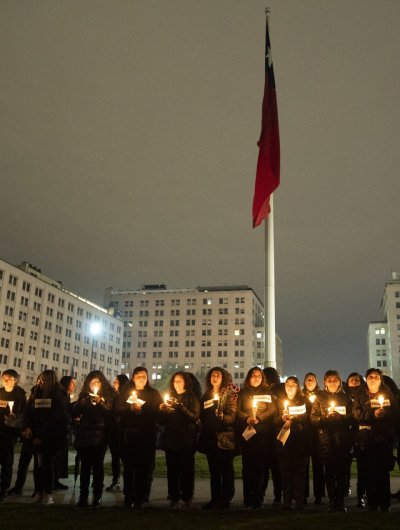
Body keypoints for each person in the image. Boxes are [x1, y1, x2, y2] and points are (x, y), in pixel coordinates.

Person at [352, 368, 399, 511]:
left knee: (383, 472)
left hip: (384, 438)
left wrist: (385, 413)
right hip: (367, 439)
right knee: (369, 472)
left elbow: (396, 413)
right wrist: (373, 414)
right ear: (366, 379)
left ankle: (384, 504)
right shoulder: (359, 395)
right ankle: (372, 504)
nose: (373, 378)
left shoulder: (387, 395)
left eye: (376, 376)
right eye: (370, 376)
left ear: (380, 379)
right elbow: (356, 414)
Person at [115, 367, 162, 508]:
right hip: (129, 435)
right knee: (129, 467)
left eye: (144, 376)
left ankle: (141, 496)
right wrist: (129, 409)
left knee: (144, 467)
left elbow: (157, 412)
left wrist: (143, 411)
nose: (142, 379)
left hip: (146, 435)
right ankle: (128, 495)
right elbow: (117, 410)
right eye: (139, 376)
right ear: (133, 377)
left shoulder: (153, 394)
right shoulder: (125, 393)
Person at [22, 370, 70, 505]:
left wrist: (42, 436)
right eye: (39, 380)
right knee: (38, 465)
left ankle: (48, 494)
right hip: (36, 434)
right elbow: (27, 412)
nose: (40, 383)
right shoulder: (35, 393)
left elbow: (55, 419)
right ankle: (39, 492)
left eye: (43, 381)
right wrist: (26, 427)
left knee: (47, 464)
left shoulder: (57, 395)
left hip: (51, 436)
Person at [310, 370, 353, 512]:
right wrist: (324, 419)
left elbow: (352, 416)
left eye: (335, 380)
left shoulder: (346, 397)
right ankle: (332, 499)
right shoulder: (319, 397)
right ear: (325, 382)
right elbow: (313, 418)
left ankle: (340, 500)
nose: (332, 382)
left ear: (340, 381)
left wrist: (341, 418)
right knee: (328, 470)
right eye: (329, 380)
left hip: (341, 438)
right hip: (326, 438)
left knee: (341, 471)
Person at [159, 371, 200, 509]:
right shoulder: (171, 397)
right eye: (175, 380)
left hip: (186, 439)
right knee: (172, 470)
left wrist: (180, 407)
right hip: (171, 438)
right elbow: (162, 421)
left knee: (186, 470)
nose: (177, 383)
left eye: (180, 381)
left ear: (186, 382)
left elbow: (194, 417)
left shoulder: (191, 397)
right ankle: (174, 497)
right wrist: (162, 410)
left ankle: (187, 497)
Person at [237, 367, 276, 510]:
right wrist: (247, 418)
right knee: (247, 466)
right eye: (253, 375)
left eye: (259, 375)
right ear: (249, 377)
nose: (256, 377)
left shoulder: (267, 392)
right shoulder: (243, 392)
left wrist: (259, 418)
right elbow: (237, 409)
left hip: (263, 433)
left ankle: (258, 499)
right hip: (247, 431)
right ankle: (248, 498)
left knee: (261, 467)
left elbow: (272, 409)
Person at [72, 370, 114, 507]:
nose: (94, 385)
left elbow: (110, 415)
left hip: (100, 436)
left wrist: (100, 402)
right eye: (92, 383)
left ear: (102, 384)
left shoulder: (107, 397)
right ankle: (83, 497)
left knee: (97, 468)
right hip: (84, 436)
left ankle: (97, 496)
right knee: (84, 468)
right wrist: (83, 403)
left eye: (97, 382)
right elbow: (75, 412)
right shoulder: (84, 397)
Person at [199, 367, 238, 510]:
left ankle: (226, 498)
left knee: (226, 469)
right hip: (210, 437)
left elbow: (232, 417)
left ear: (223, 379)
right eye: (213, 375)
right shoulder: (207, 395)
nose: (215, 378)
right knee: (214, 470)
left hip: (224, 436)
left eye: (218, 375)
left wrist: (223, 418)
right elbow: (202, 414)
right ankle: (214, 498)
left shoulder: (229, 395)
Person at [275, 376, 311, 511]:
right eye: (287, 384)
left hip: (300, 441)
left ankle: (300, 501)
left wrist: (295, 418)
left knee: (299, 472)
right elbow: (273, 420)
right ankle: (287, 501)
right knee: (286, 473)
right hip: (284, 442)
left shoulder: (304, 401)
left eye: (293, 384)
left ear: (298, 387)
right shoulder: (279, 402)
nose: (290, 387)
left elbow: (307, 418)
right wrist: (281, 418)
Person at [0, 369, 26, 500]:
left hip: (9, 433)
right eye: (3, 378)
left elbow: (22, 413)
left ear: (14, 380)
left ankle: (3, 487)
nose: (4, 381)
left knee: (6, 460)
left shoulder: (19, 395)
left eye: (7, 379)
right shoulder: (0, 392)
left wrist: (15, 417)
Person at [302, 372, 325, 505]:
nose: (310, 381)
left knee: (318, 465)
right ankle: (303, 494)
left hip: (318, 433)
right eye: (307, 380)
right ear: (304, 382)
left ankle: (319, 495)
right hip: (305, 434)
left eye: (312, 379)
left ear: (317, 382)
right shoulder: (300, 396)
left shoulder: (321, 396)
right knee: (303, 466)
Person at [344, 372, 366, 507]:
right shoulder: (344, 395)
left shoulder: (364, 395)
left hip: (361, 433)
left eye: (357, 379)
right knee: (345, 463)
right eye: (351, 379)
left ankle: (361, 494)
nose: (354, 381)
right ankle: (345, 487)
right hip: (346, 433)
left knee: (362, 465)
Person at [262, 366, 283, 505]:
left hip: (271, 430)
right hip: (271, 431)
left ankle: (267, 494)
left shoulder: (276, 391)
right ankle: (276, 495)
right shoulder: (265, 391)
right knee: (273, 467)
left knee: (271, 467)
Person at [106, 374, 129, 492]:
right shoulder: (112, 396)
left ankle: (128, 483)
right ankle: (116, 480)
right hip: (113, 431)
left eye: (116, 381)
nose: (114, 383)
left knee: (125, 458)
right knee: (115, 458)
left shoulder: (126, 396)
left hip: (123, 431)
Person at [53, 375, 76, 491]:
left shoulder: (66, 396)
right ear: (67, 384)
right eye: (73, 383)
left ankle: (56, 480)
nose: (74, 386)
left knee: (60, 457)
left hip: (62, 431)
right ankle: (52, 481)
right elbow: (62, 412)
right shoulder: (60, 395)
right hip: (57, 431)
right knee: (56, 457)